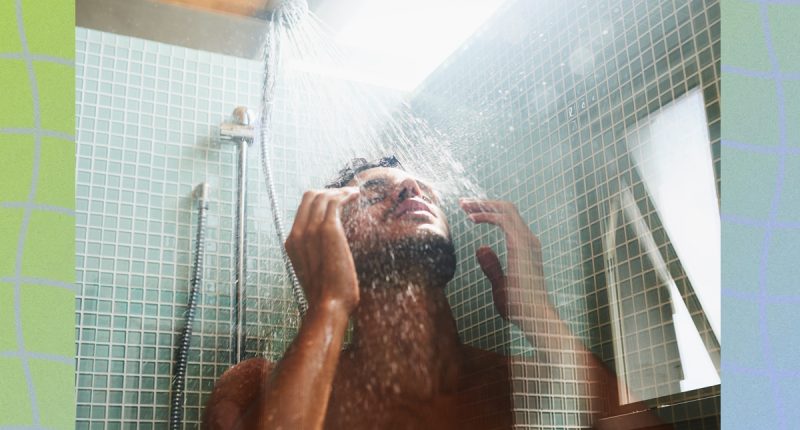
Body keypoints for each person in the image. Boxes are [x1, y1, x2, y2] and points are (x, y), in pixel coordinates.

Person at [202, 156, 665, 429]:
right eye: (373, 193)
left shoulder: (517, 384)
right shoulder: (256, 385)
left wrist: (538, 315)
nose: (408, 186)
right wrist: (329, 305)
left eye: (418, 186)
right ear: (332, 243)